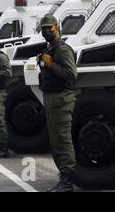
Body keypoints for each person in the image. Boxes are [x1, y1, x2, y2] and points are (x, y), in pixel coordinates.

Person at [38, 14, 77, 192]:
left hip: (61, 99)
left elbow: (71, 74)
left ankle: (67, 181)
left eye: (49, 28)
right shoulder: (50, 48)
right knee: (55, 141)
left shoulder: (62, 50)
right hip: (52, 99)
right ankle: (64, 176)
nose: (46, 31)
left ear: (57, 27)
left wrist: (51, 64)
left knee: (62, 141)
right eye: (43, 29)